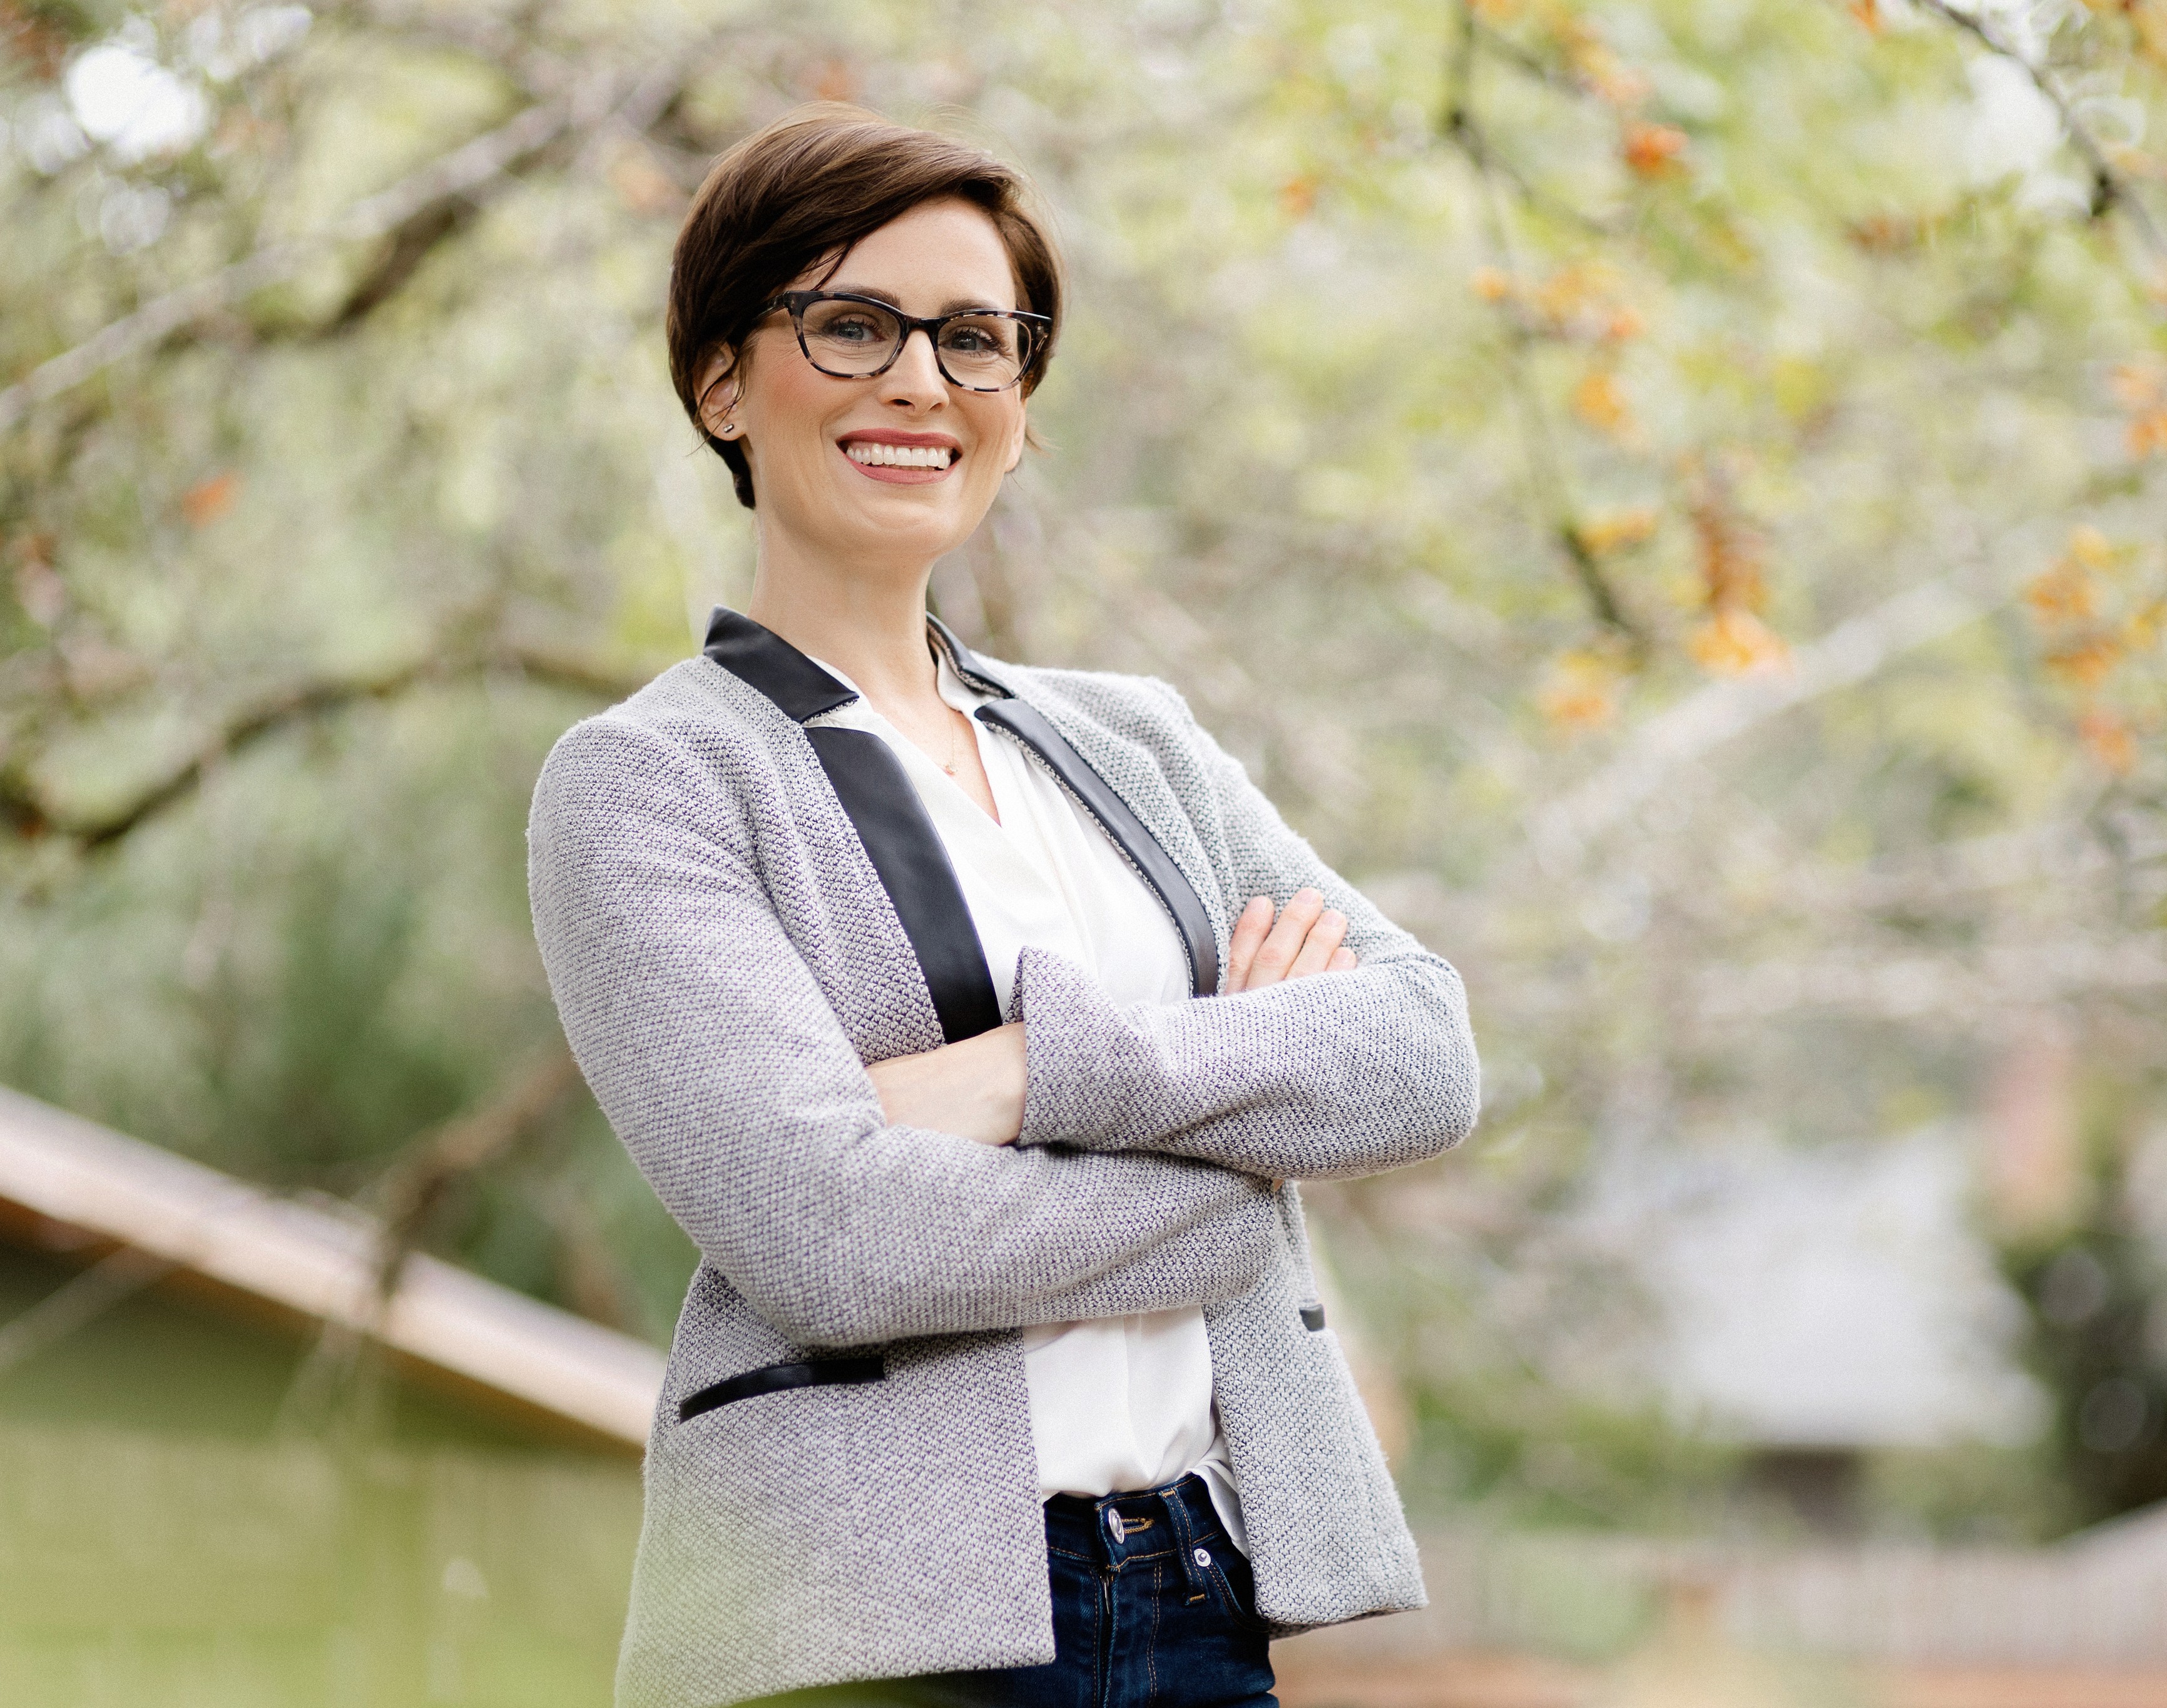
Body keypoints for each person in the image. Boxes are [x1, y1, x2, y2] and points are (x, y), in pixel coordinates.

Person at [526, 104, 1480, 1708]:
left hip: (1198, 1583)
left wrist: (1019, 1074)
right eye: (851, 325)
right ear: (718, 381)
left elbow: (1421, 1055)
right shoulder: (650, 782)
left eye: (977, 339)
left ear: (1020, 406)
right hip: (860, 1631)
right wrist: (1238, 1171)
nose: (919, 379)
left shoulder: (1133, 740)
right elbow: (829, 1237)